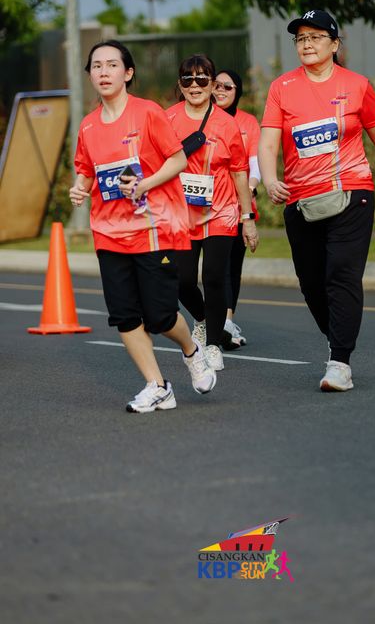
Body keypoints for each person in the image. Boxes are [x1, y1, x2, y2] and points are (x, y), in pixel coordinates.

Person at [259, 9, 375, 392]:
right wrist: (269, 179)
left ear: (334, 44)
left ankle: (340, 363)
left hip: (352, 192)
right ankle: (338, 339)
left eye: (315, 37)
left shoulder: (358, 86)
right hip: (301, 199)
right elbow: (267, 143)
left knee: (341, 275)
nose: (307, 44)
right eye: (300, 38)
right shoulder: (281, 88)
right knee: (311, 283)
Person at [69, 40, 216, 414]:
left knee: (160, 316)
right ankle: (157, 386)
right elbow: (86, 169)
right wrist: (79, 188)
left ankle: (191, 350)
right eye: (96, 66)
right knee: (124, 315)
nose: (103, 72)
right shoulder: (88, 126)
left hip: (153, 228)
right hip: (109, 232)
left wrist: (145, 184)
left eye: (111, 65)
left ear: (128, 73)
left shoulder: (148, 113)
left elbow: (178, 159)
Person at [166, 54, 259, 372]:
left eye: (202, 79)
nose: (195, 85)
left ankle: (214, 344)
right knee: (182, 280)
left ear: (211, 83)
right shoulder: (167, 119)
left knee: (215, 277)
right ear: (180, 84)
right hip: (181, 213)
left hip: (221, 211)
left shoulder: (227, 123)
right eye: (188, 79)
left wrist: (247, 219)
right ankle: (203, 319)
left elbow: (239, 173)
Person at [214, 69, 261, 349]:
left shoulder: (247, 122)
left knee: (231, 265)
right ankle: (212, 320)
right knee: (213, 267)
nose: (220, 91)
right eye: (217, 85)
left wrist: (250, 188)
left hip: (239, 205)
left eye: (227, 87)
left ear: (237, 92)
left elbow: (255, 163)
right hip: (208, 207)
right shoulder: (202, 119)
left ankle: (226, 322)